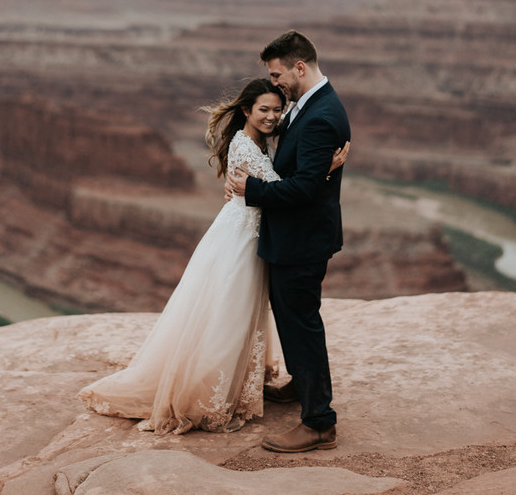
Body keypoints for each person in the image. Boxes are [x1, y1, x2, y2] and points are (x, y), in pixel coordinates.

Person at [78, 77, 347, 436]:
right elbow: (283, 189)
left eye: (276, 109)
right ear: (247, 111)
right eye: (263, 109)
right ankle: (206, 394)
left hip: (249, 233)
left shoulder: (259, 139)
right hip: (242, 242)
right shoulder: (247, 147)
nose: (272, 116)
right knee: (228, 315)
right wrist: (323, 171)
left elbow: (276, 183)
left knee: (236, 313)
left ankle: (235, 385)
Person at [227, 30, 351, 453]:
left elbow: (301, 190)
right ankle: (302, 384)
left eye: (278, 74)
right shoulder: (310, 104)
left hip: (301, 242)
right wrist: (325, 172)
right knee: (295, 321)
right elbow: (305, 172)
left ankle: (319, 423)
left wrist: (251, 190)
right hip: (297, 237)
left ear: (300, 67)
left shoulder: (319, 114)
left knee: (301, 326)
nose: (275, 82)